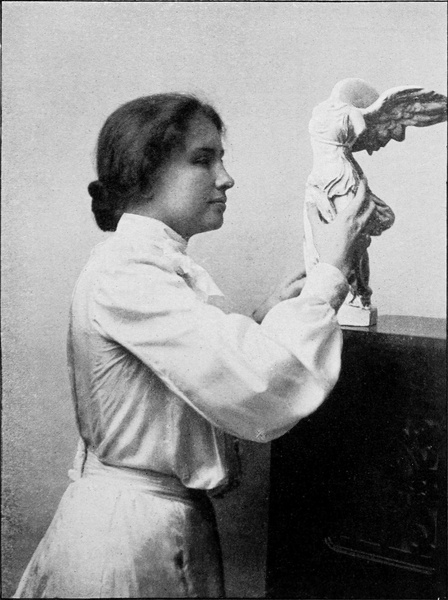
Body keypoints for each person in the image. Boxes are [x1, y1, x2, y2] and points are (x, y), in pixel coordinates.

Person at [14, 93, 374, 598]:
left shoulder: (149, 266)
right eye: (203, 160)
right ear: (144, 173)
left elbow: (182, 377)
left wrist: (259, 321)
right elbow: (260, 383)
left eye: (220, 159)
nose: (226, 178)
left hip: (151, 524)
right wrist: (329, 275)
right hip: (125, 537)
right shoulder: (127, 271)